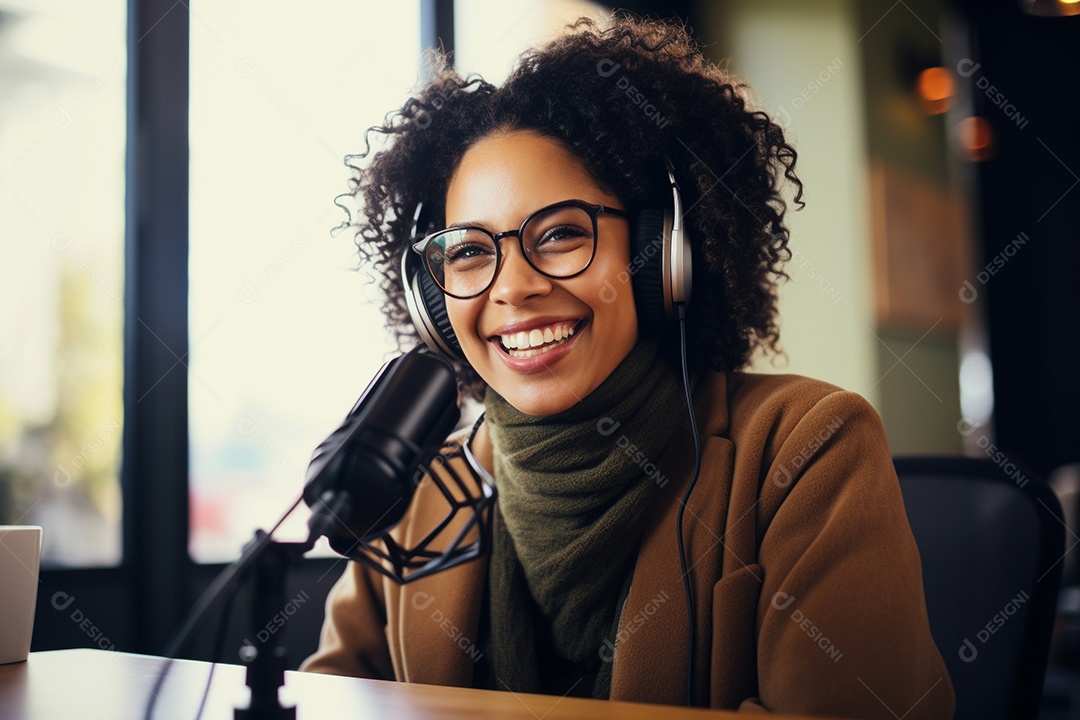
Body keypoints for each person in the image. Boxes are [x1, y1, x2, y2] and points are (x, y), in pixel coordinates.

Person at [301, 15, 955, 717]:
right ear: (432, 300)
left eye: (558, 235)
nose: (512, 286)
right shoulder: (417, 491)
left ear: (661, 255)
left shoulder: (808, 448)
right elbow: (330, 702)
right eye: (466, 251)